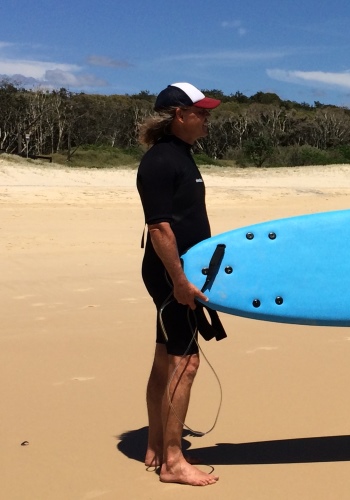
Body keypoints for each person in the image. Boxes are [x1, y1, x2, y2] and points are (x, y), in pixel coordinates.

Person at [136, 82, 222, 485]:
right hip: (172, 274)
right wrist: (180, 281)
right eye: (200, 112)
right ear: (178, 115)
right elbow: (159, 228)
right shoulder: (160, 161)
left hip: (175, 272)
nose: (207, 118)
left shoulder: (179, 155)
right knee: (186, 363)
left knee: (164, 357)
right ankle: (173, 462)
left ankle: (156, 444)